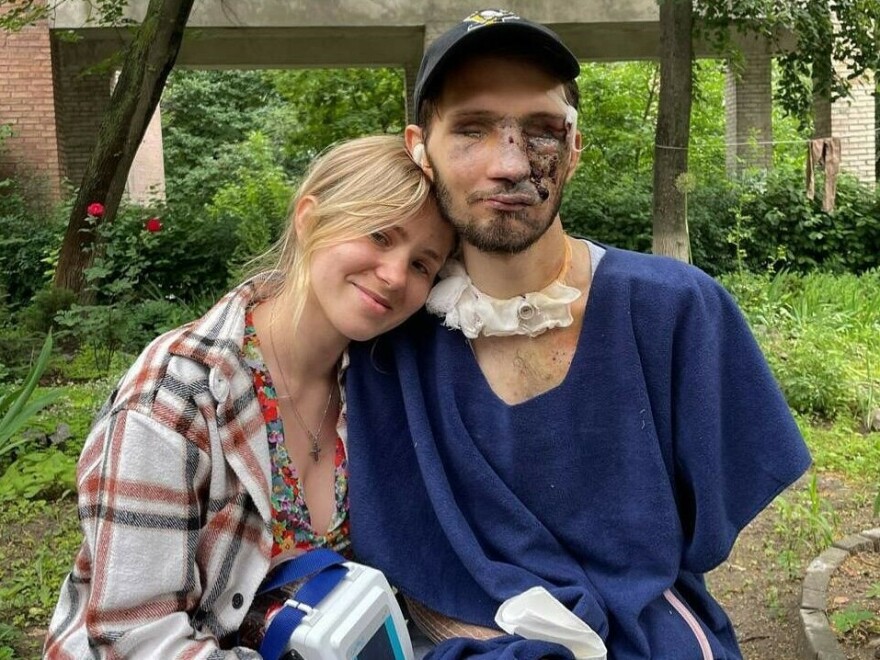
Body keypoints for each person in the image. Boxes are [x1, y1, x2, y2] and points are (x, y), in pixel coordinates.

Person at [344, 10, 812, 660]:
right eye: (472, 129)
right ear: (420, 147)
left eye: (540, 131)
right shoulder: (384, 342)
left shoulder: (677, 313)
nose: (509, 165)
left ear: (575, 149)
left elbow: (713, 521)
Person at [43, 135, 455, 658]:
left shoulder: (381, 384)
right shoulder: (175, 396)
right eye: (378, 234)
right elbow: (134, 641)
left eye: (423, 264)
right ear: (309, 218)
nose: (396, 275)